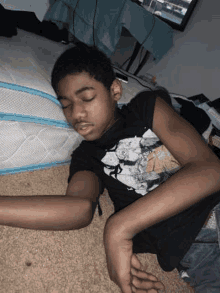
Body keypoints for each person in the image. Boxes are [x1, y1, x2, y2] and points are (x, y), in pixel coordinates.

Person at [1, 42, 220, 293]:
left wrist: (119, 228)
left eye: (87, 98)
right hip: (195, 256)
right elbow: (79, 208)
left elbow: (210, 170)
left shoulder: (145, 107)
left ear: (115, 90)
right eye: (66, 104)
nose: (77, 113)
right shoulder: (86, 156)